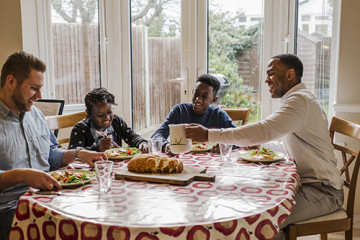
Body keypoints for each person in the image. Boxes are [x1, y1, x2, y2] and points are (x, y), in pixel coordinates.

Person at [184, 54, 344, 239]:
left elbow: (265, 129)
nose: (267, 79)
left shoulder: (299, 101)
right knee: (256, 207)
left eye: (272, 73)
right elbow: (294, 145)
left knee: (263, 221)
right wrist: (259, 145)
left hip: (323, 191)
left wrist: (208, 135)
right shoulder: (300, 99)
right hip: (308, 185)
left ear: (290, 74)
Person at [0, 51, 107, 240]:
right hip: (10, 208)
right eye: (34, 88)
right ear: (11, 81)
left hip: (47, 197)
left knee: (97, 212)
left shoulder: (35, 115)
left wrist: (79, 154)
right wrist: (22, 175)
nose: (39, 95)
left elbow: (49, 153)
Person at [151, 74, 236, 155]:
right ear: (192, 92)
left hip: (212, 164)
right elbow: (157, 136)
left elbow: (238, 139)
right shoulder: (180, 111)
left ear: (213, 99)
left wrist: (224, 145)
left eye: (204, 96)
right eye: (196, 93)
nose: (198, 99)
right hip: (184, 162)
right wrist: (166, 146)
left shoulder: (219, 115)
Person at [69, 87, 149, 152]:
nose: (107, 117)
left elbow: (133, 137)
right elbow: (74, 153)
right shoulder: (80, 129)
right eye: (100, 115)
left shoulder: (116, 121)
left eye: (109, 112)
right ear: (88, 114)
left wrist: (142, 143)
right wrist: (98, 149)